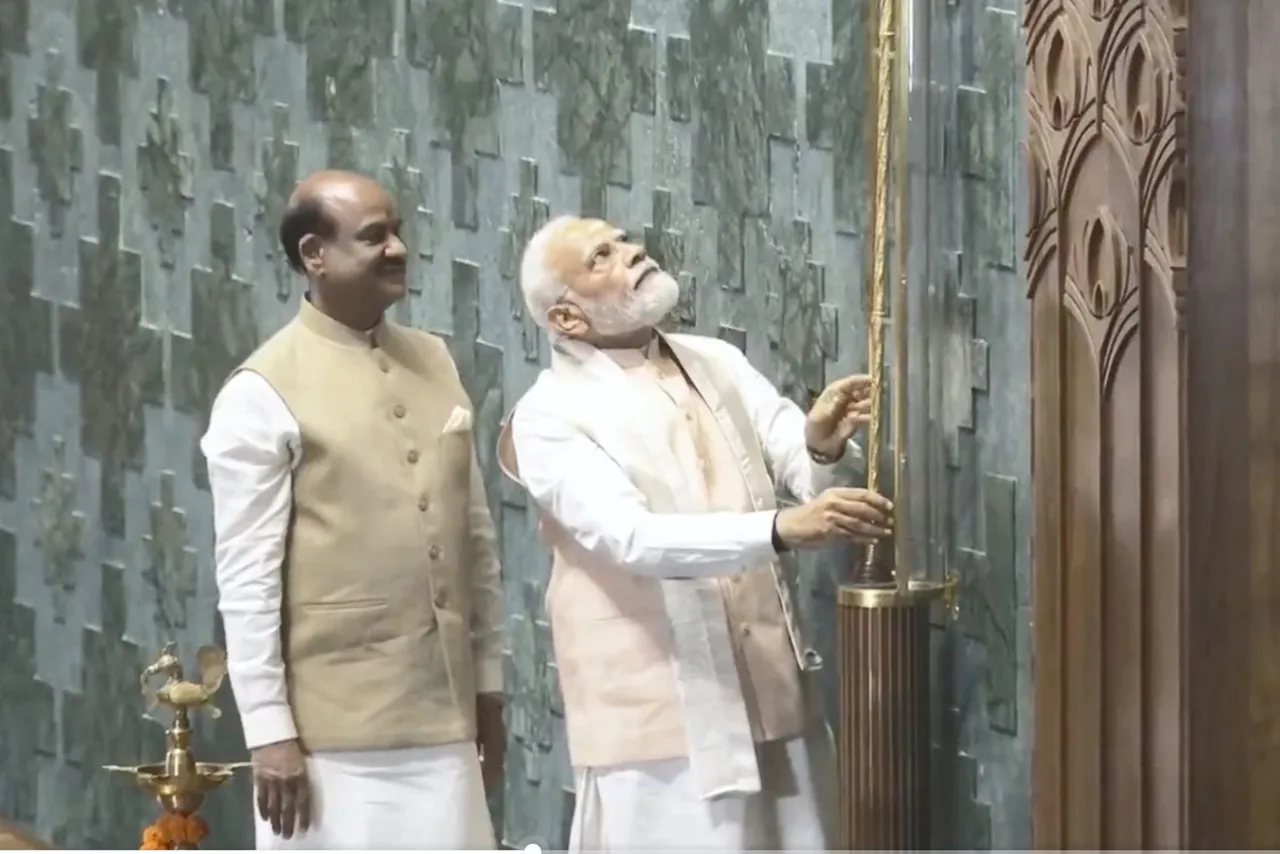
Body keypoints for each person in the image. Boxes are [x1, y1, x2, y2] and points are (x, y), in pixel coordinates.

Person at [497, 215, 894, 850]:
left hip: (771, 687)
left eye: (624, 241)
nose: (632, 253)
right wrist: (781, 529)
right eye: (603, 256)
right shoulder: (547, 416)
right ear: (566, 319)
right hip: (656, 717)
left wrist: (819, 447)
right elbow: (631, 538)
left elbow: (802, 470)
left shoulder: (715, 360)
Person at [201, 170, 505, 850]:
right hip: (327, 740)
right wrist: (270, 732)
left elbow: (474, 540)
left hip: (447, 717)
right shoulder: (261, 389)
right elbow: (245, 580)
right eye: (374, 237)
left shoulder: (435, 359)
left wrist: (490, 687)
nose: (397, 248)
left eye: (397, 231)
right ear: (315, 255)